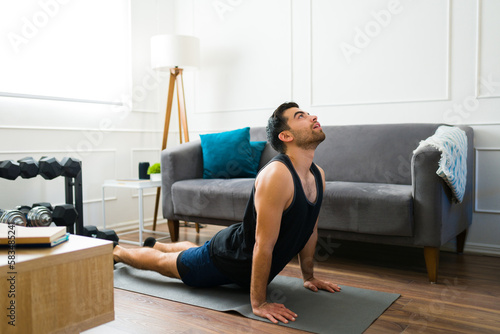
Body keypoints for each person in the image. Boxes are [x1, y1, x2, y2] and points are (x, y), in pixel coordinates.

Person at [113, 102, 341, 324]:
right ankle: (118, 252)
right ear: (286, 136)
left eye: (308, 113)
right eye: (300, 116)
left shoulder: (317, 174)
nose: (312, 117)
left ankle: (158, 244)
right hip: (228, 259)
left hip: (240, 255)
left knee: (195, 251)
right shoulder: (277, 175)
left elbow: (309, 231)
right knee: (165, 264)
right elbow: (263, 244)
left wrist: (308, 276)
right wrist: (259, 303)